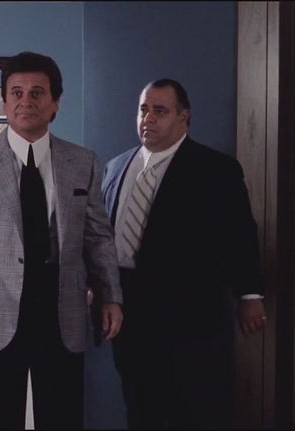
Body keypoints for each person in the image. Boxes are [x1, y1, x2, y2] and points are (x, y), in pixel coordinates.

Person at [0, 51, 123, 429]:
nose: (26, 101)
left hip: (62, 310)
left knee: (62, 418)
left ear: (55, 103)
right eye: (17, 93)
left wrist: (111, 295)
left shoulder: (82, 161)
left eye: (37, 93)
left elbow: (98, 237)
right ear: (5, 102)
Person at [101, 78, 266, 428]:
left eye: (159, 111)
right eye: (143, 109)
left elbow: (240, 234)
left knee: (188, 410)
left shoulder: (215, 169)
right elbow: (99, 236)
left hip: (188, 314)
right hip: (127, 312)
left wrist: (250, 293)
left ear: (184, 117)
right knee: (138, 406)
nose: (148, 118)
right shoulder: (115, 167)